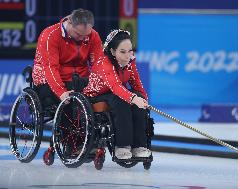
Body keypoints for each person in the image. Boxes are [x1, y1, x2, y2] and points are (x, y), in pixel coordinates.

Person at [83, 29, 151, 160]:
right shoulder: (104, 63)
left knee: (138, 98)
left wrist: (143, 100)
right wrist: (133, 98)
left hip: (116, 94)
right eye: (122, 52)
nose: (128, 56)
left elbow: (136, 84)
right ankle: (122, 146)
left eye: (130, 51)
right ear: (113, 51)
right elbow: (115, 86)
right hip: (96, 96)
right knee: (122, 100)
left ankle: (138, 146)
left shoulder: (130, 62)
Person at [32, 8, 103, 108]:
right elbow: (51, 68)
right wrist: (61, 92)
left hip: (79, 80)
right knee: (72, 102)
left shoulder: (93, 35)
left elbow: (98, 64)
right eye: (78, 34)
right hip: (49, 80)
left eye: (86, 35)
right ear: (69, 22)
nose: (83, 39)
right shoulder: (49, 35)